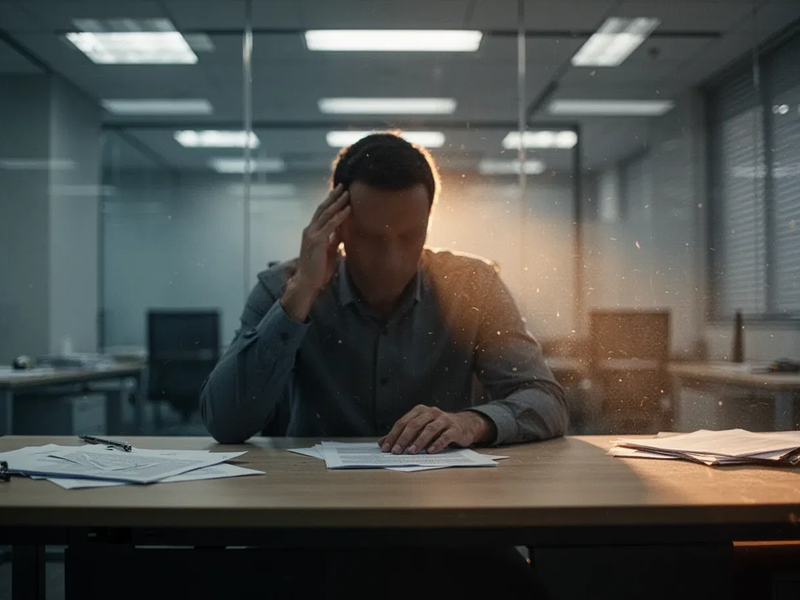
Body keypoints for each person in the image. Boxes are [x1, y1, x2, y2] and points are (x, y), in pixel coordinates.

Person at [199, 132, 567, 599]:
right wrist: (302, 294)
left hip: (445, 525)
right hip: (314, 526)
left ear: (430, 222)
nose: (392, 261)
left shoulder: (472, 285)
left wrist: (472, 423)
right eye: (371, 239)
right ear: (337, 225)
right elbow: (225, 422)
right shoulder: (284, 288)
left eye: (410, 237)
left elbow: (546, 400)